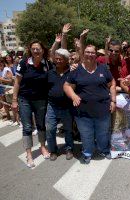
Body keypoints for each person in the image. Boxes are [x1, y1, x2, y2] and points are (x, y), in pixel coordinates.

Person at [64, 43, 116, 164]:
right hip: (82, 112)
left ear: (96, 54)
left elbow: (112, 84)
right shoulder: (76, 70)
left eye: (92, 52)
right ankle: (87, 152)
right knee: (86, 134)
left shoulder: (103, 68)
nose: (90, 54)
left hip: (103, 110)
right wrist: (73, 95)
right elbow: (66, 86)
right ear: (83, 53)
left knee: (103, 133)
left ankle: (104, 149)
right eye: (87, 52)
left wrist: (113, 100)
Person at [12, 40, 52, 168]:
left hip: (41, 100)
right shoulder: (23, 63)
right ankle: (29, 153)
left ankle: (43, 147)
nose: (36, 51)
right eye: (33, 48)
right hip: (25, 100)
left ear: (42, 50)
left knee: (41, 125)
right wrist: (14, 100)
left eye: (38, 48)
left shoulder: (47, 63)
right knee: (27, 127)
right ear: (30, 50)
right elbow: (17, 82)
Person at [46, 47, 74, 161]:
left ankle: (69, 148)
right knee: (50, 129)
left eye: (61, 59)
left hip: (67, 106)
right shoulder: (50, 73)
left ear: (67, 60)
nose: (58, 61)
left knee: (68, 129)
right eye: (56, 59)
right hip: (52, 105)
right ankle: (53, 150)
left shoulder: (72, 72)